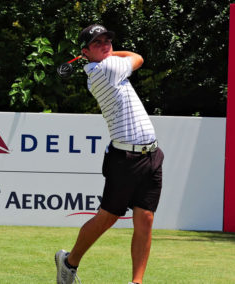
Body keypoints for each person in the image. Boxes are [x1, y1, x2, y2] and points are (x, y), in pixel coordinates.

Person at [55, 24, 164, 284]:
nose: (106, 45)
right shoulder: (105, 69)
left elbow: (128, 57)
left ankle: (136, 282)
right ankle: (69, 262)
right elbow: (137, 58)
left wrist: (102, 53)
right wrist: (110, 56)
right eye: (97, 43)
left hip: (151, 155)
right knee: (108, 217)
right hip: (125, 159)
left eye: (107, 41)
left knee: (145, 219)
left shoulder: (104, 63)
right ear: (85, 52)